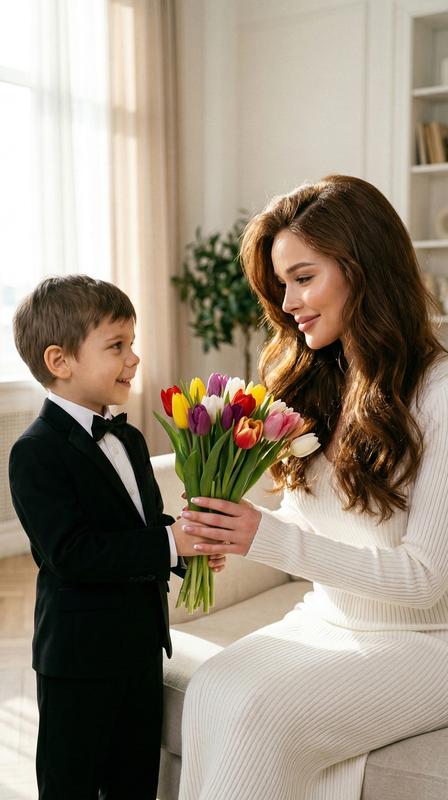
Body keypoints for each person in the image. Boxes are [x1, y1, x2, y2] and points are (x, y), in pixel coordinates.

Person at [176, 175, 448, 800]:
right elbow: (316, 528)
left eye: (304, 277)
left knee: (260, 715)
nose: (289, 300)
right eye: (281, 285)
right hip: (328, 619)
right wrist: (237, 529)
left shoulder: (437, 393)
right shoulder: (314, 384)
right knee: (213, 687)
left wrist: (266, 538)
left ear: (363, 268)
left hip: (427, 641)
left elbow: (426, 580)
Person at [8, 275, 224, 800]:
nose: (134, 358)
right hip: (79, 663)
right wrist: (171, 547)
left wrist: (186, 543)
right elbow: (73, 555)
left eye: (133, 343)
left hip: (142, 649)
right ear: (60, 361)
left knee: (135, 784)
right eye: (117, 346)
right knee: (71, 786)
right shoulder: (35, 452)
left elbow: (141, 531)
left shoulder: (127, 436)